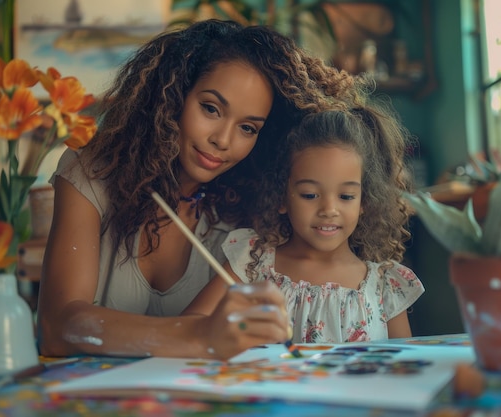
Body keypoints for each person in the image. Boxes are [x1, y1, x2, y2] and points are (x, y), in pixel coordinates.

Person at [37, 19, 360, 360]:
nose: (222, 140)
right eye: (210, 108)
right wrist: (197, 335)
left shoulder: (247, 214)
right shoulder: (92, 173)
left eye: (248, 128)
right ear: (173, 96)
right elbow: (57, 328)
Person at [183, 105, 425, 343]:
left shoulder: (385, 284)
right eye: (310, 195)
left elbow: (404, 368)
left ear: (364, 202)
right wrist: (236, 327)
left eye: (346, 196)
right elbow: (187, 327)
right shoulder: (253, 264)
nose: (329, 210)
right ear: (281, 197)